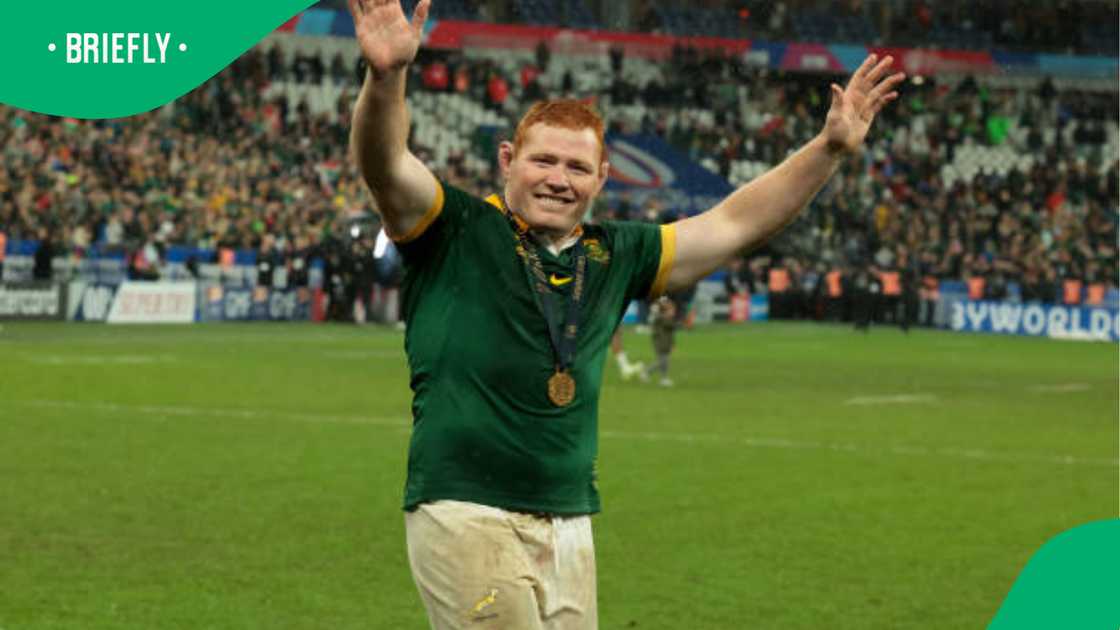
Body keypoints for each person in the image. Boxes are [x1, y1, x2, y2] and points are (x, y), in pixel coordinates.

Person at [347, 1, 903, 626]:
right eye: (543, 160)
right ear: (508, 161)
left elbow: (734, 224)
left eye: (578, 167)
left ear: (602, 177)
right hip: (464, 509)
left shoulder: (616, 253)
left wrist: (827, 149)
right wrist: (387, 75)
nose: (559, 178)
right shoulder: (455, 228)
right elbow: (385, 163)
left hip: (569, 518)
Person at [642, 296, 677, 387]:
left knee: (665, 362)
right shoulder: (660, 318)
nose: (673, 312)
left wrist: (673, 344)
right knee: (662, 361)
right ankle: (647, 371)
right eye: (672, 310)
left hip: (666, 343)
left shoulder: (667, 319)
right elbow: (658, 322)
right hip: (660, 343)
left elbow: (671, 334)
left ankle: (663, 378)